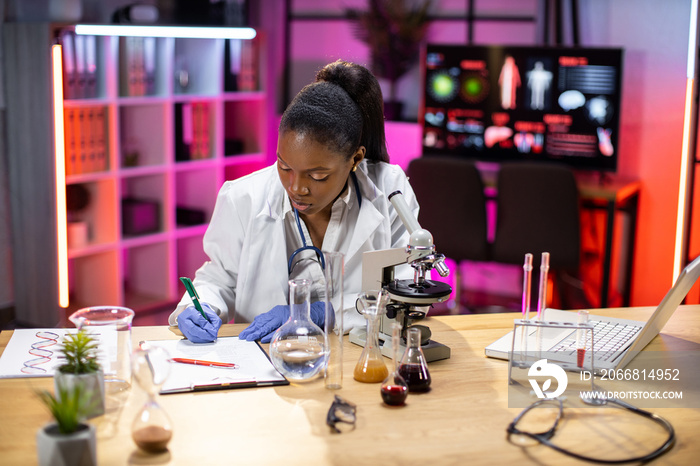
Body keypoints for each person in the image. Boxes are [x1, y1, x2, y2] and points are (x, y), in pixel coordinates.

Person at [168, 60, 419, 343]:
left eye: (318, 175)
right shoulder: (243, 197)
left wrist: (327, 313)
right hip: (268, 360)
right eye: (284, 167)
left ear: (355, 159)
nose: (297, 188)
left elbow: (406, 292)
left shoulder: (389, 191)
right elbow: (219, 278)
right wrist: (198, 307)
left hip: (358, 360)